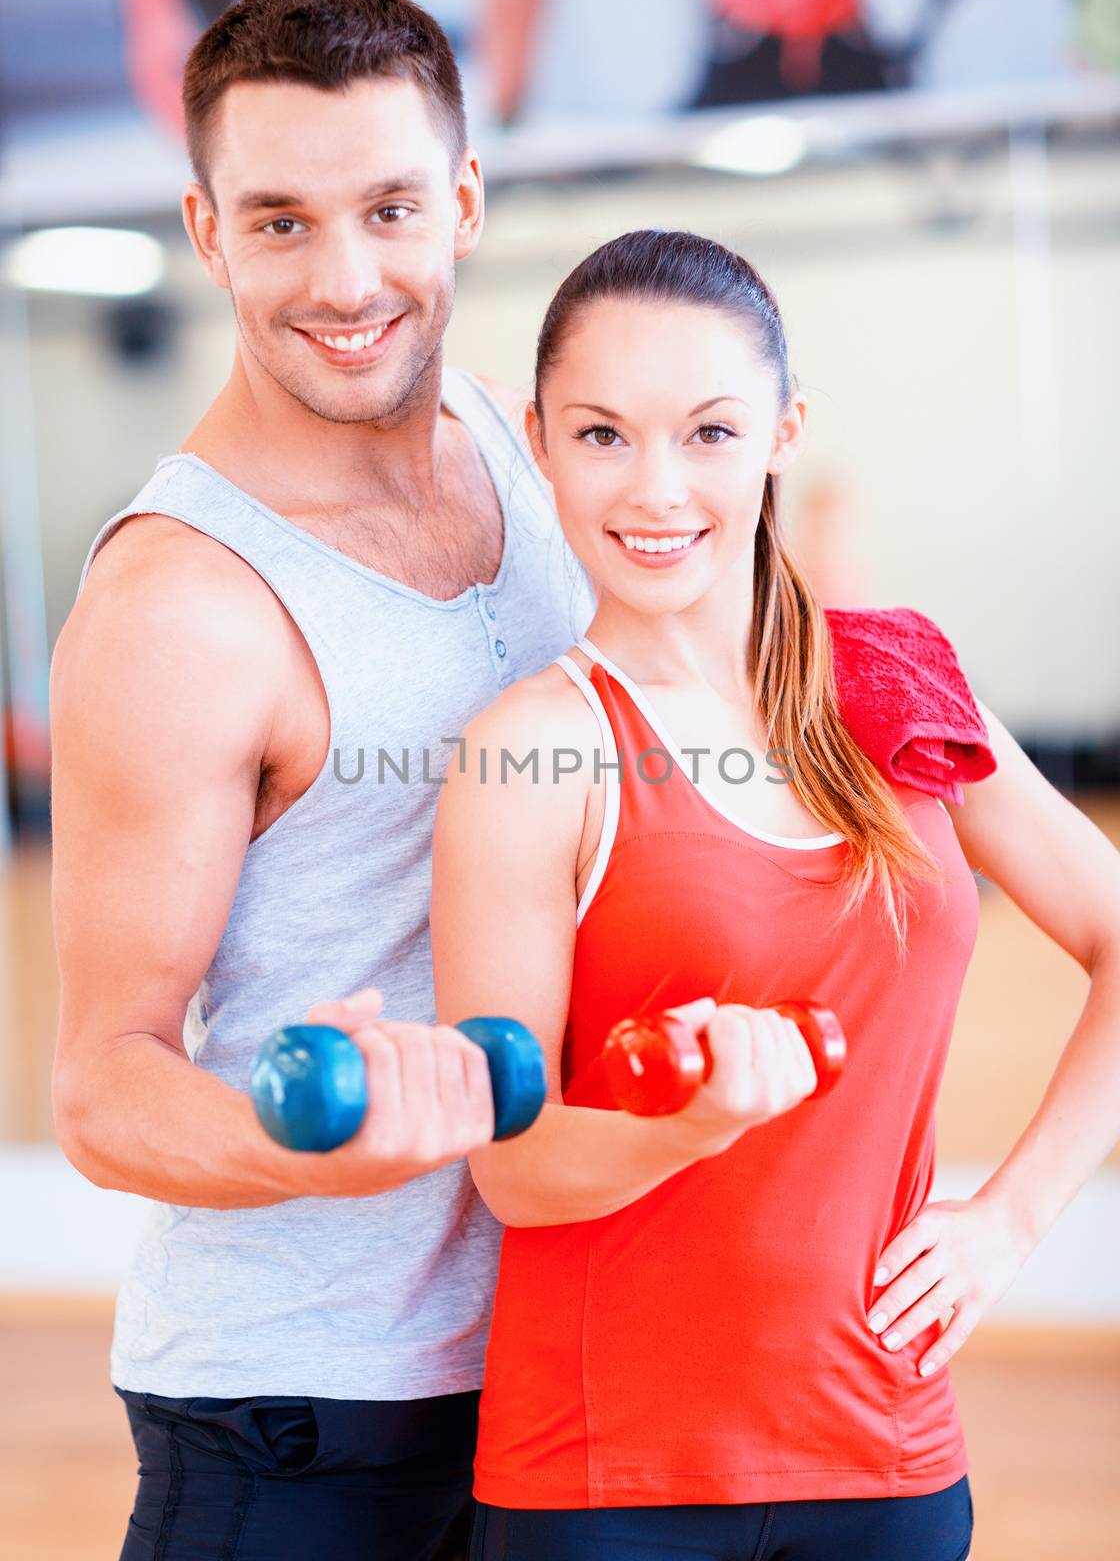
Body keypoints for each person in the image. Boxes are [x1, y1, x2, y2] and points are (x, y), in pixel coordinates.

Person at [429, 227, 1120, 1560]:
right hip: (606, 1481)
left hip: (889, 1449)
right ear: (538, 441)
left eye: (708, 431)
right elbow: (512, 1165)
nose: (656, 488)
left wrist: (1012, 1218)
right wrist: (690, 1125)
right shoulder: (530, 750)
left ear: (782, 431)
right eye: (601, 435)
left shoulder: (901, 691)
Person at [48, 0, 595, 1561]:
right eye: (280, 221)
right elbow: (103, 1085)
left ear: (466, 205)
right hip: (304, 1413)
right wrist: (310, 1142)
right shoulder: (183, 608)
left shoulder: (521, 448)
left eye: (389, 209)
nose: (345, 277)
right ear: (209, 233)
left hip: (553, 1364)